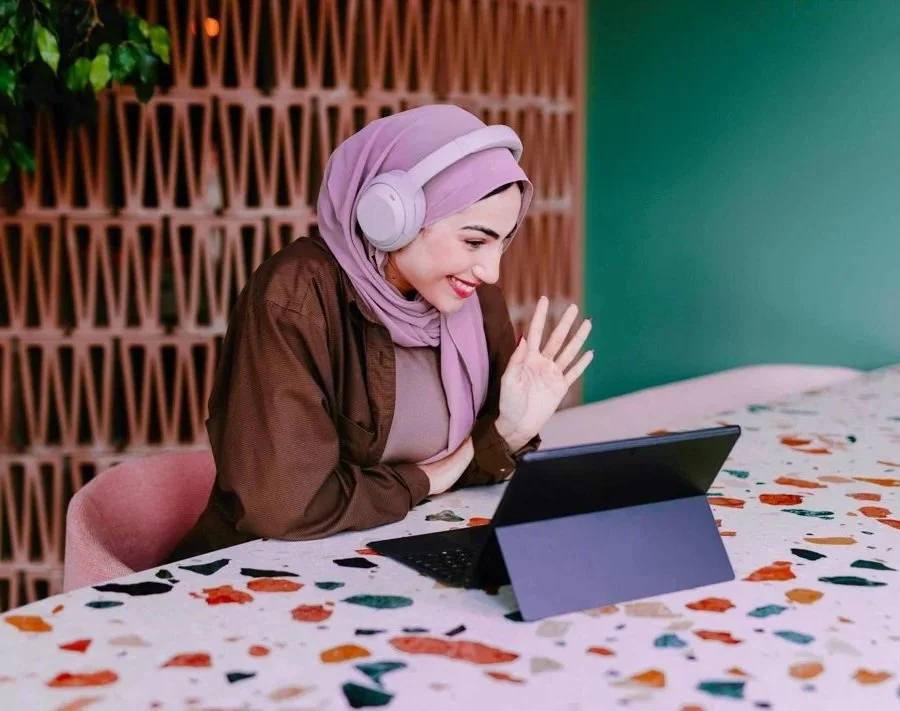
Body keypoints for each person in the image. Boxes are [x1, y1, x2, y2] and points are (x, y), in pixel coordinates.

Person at [168, 104, 592, 560]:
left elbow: (473, 472)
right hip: (256, 568)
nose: (490, 271)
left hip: (396, 555)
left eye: (502, 243)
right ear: (392, 218)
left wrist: (510, 431)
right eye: (474, 241)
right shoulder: (296, 294)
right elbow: (283, 504)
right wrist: (426, 478)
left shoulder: (475, 301)